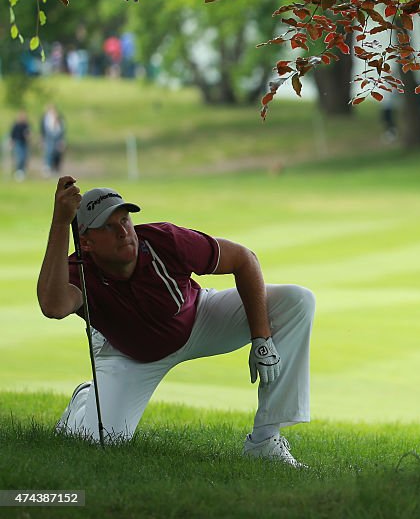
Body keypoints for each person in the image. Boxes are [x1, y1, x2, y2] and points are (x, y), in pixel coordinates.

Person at [37, 177, 315, 467]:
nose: (123, 232)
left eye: (125, 219)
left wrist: (261, 337)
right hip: (129, 354)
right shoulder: (77, 271)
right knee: (100, 441)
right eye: (108, 226)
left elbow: (244, 259)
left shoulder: (165, 240)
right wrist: (60, 222)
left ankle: (265, 442)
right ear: (86, 242)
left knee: (298, 300)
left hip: (198, 318)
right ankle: (85, 400)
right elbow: (53, 306)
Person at [40, 104, 66, 175]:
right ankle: (47, 167)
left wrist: (62, 141)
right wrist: (42, 139)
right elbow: (43, 130)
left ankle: (55, 168)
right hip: (49, 138)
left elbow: (62, 131)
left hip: (57, 138)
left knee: (57, 154)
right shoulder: (46, 119)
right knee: (49, 152)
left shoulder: (60, 119)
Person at [9, 110, 31, 181]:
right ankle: (18, 171)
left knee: (24, 157)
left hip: (24, 143)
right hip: (18, 142)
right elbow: (12, 134)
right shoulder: (16, 125)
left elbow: (28, 133)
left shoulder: (26, 125)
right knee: (20, 157)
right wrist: (12, 142)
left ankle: (22, 171)